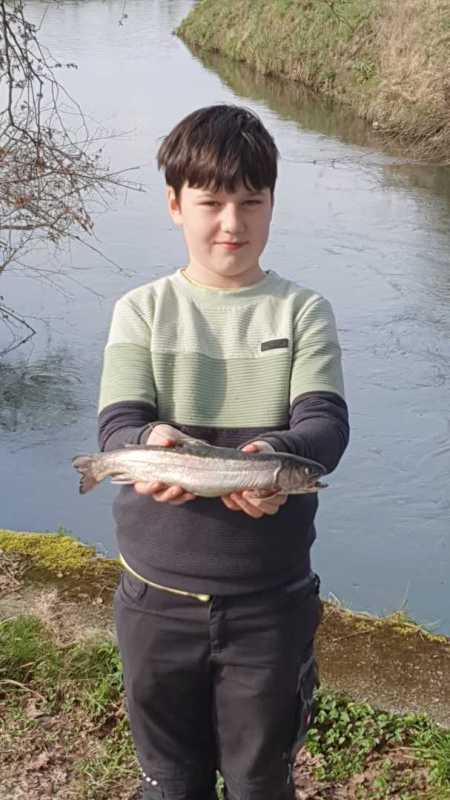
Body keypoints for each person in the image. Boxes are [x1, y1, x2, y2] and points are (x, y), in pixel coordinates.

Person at [98, 104, 349, 800]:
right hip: (155, 601)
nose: (231, 223)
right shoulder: (141, 311)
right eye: (211, 203)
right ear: (175, 205)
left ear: (272, 204)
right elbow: (118, 429)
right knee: (168, 782)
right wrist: (148, 446)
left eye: (250, 202)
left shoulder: (303, 311)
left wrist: (274, 454)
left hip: (270, 606)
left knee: (260, 782)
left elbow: (325, 427)